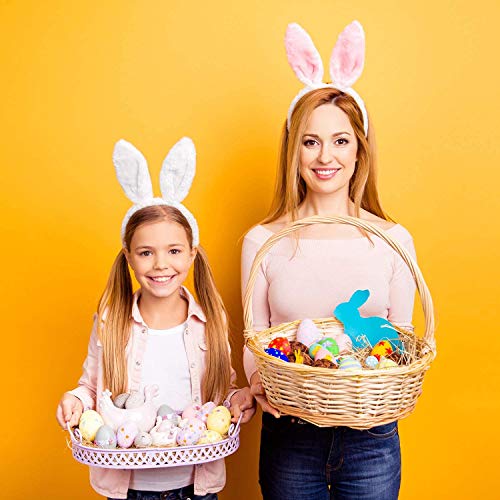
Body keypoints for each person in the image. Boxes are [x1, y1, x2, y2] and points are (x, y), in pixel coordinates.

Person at [241, 22, 416, 499]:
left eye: (340, 140)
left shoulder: (393, 239)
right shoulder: (263, 241)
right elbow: (253, 339)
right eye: (310, 141)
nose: (325, 157)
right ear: (293, 150)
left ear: (360, 150)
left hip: (372, 441)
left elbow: (400, 344)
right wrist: (258, 379)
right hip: (290, 435)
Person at [56, 137, 254, 500]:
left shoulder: (210, 320)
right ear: (129, 257)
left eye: (174, 251)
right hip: (130, 487)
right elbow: (90, 386)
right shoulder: (111, 321)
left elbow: (221, 393)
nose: (161, 264)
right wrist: (75, 401)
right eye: (146, 252)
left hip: (196, 486)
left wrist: (239, 399)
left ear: (191, 254)